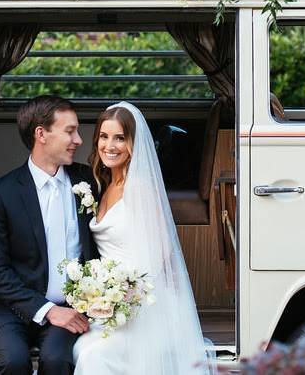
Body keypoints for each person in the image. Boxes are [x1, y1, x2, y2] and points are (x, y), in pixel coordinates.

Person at [73, 102, 214, 375]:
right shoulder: (102, 185)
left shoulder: (139, 188)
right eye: (104, 136)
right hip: (110, 304)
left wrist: (125, 293)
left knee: (92, 355)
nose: (110, 146)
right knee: (83, 348)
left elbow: (161, 254)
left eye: (120, 138)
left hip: (142, 304)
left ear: (133, 144)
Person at [0, 95, 100, 375]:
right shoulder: (1, 193)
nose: (79, 140)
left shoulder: (88, 181)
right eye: (70, 131)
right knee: (14, 362)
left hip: (70, 308)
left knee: (57, 361)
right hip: (11, 309)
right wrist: (46, 310)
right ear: (41, 134)